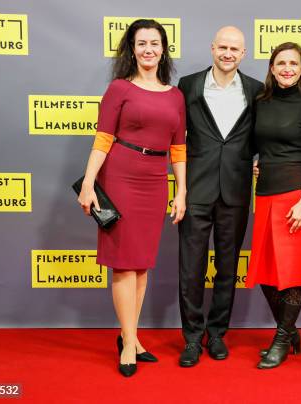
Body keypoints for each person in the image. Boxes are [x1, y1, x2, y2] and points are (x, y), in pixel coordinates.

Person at [77, 19, 187, 377]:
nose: (148, 49)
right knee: (123, 264)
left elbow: (179, 149)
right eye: (141, 43)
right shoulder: (119, 88)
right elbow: (103, 138)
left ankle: (132, 336)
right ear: (132, 49)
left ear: (164, 48)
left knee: (141, 264)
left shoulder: (175, 95)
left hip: (155, 182)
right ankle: (128, 342)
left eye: (155, 43)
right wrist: (89, 183)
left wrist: (180, 190)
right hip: (121, 176)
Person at [176, 26, 263, 367]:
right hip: (196, 190)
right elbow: (174, 135)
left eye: (235, 49)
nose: (228, 53)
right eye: (223, 47)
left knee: (227, 268)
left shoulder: (257, 91)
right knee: (191, 269)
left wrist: (262, 163)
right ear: (212, 48)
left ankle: (216, 334)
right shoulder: (189, 86)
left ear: (243, 54)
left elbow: (265, 136)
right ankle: (193, 339)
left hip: (237, 191)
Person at [246, 42, 301, 369]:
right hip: (264, 195)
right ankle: (289, 330)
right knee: (265, 273)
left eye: (293, 63)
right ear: (272, 67)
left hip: (297, 197)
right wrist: (255, 162)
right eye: (281, 63)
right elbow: (253, 143)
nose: (287, 68)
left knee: (291, 275)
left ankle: (280, 338)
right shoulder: (261, 102)